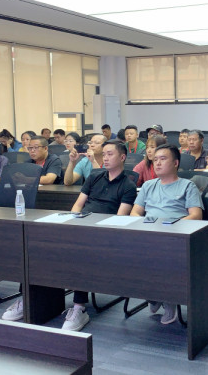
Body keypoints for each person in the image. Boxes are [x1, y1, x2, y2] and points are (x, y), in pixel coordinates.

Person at [62, 140, 137, 330]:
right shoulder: (94, 177)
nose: (106, 158)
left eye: (110, 154)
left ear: (122, 157)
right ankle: (33, 298)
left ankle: (79, 308)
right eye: (104, 154)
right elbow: (78, 205)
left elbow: (119, 219)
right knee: (42, 243)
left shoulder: (128, 185)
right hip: (82, 226)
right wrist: (72, 222)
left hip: (105, 235)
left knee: (81, 253)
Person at [131, 144, 203, 324]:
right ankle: (154, 295)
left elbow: (196, 215)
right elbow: (135, 212)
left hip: (174, 236)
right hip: (149, 234)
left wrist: (172, 227)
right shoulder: (148, 185)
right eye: (155, 160)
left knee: (161, 258)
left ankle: (169, 299)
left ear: (176, 163)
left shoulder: (187, 186)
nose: (157, 163)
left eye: (163, 159)